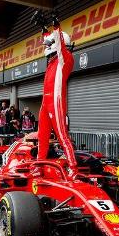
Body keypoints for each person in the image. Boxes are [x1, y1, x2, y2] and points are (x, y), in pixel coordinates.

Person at [34, 13, 78, 179]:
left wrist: (56, 26)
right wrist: (44, 29)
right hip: (46, 101)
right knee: (42, 136)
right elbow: (50, 41)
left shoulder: (65, 58)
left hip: (56, 102)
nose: (48, 46)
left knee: (62, 136)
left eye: (52, 42)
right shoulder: (53, 61)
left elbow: (57, 42)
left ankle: (73, 167)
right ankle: (39, 166)